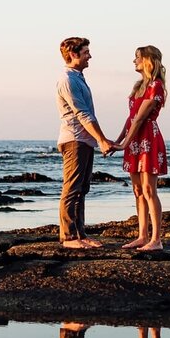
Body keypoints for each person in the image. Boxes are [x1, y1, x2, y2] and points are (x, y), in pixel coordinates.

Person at [56, 37, 117, 249]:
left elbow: (88, 114)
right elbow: (82, 114)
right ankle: (69, 237)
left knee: (82, 189)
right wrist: (101, 139)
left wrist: (101, 139)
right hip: (74, 139)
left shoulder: (78, 78)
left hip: (84, 140)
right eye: (86, 52)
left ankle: (80, 233)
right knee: (72, 189)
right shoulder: (68, 80)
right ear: (73, 54)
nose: (89, 55)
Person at [116, 45, 168, 251]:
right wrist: (118, 140)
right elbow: (130, 119)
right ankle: (142, 235)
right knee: (138, 190)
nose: (134, 61)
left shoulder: (156, 85)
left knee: (148, 189)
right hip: (133, 139)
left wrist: (123, 144)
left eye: (137, 57)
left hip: (147, 138)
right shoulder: (139, 85)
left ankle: (156, 239)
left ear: (148, 60)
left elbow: (140, 119)